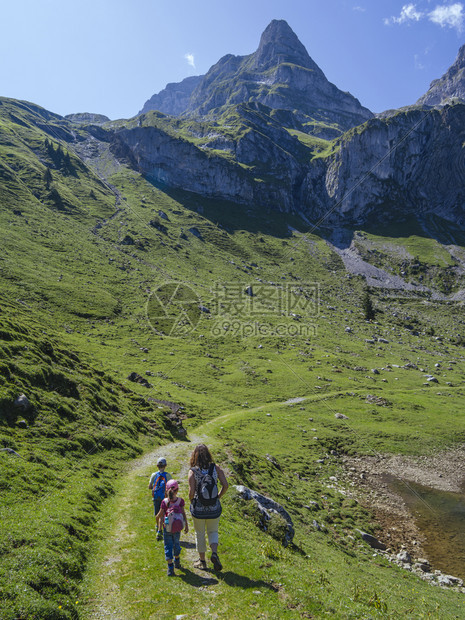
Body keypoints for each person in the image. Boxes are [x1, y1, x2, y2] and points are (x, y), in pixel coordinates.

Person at [188, 444, 228, 571]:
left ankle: (202, 561)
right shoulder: (215, 468)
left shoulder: (193, 471)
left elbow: (191, 491)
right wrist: (218, 497)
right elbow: (225, 485)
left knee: (199, 533)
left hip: (198, 509)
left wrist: (192, 501)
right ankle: (214, 553)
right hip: (214, 508)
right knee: (213, 531)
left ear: (195, 455)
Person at [156, 479, 188, 576]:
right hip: (177, 528)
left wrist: (159, 528)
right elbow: (183, 513)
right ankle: (177, 560)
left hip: (167, 528)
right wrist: (186, 524)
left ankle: (170, 568)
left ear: (166, 490)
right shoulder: (180, 501)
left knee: (168, 546)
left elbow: (160, 516)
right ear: (177, 490)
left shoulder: (164, 502)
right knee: (176, 543)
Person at [148, 457, 171, 540]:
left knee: (157, 513)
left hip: (155, 497)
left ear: (157, 465)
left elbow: (150, 486)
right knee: (163, 513)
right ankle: (161, 530)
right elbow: (171, 487)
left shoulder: (154, 475)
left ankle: (158, 527)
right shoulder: (168, 475)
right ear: (165, 466)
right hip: (164, 498)